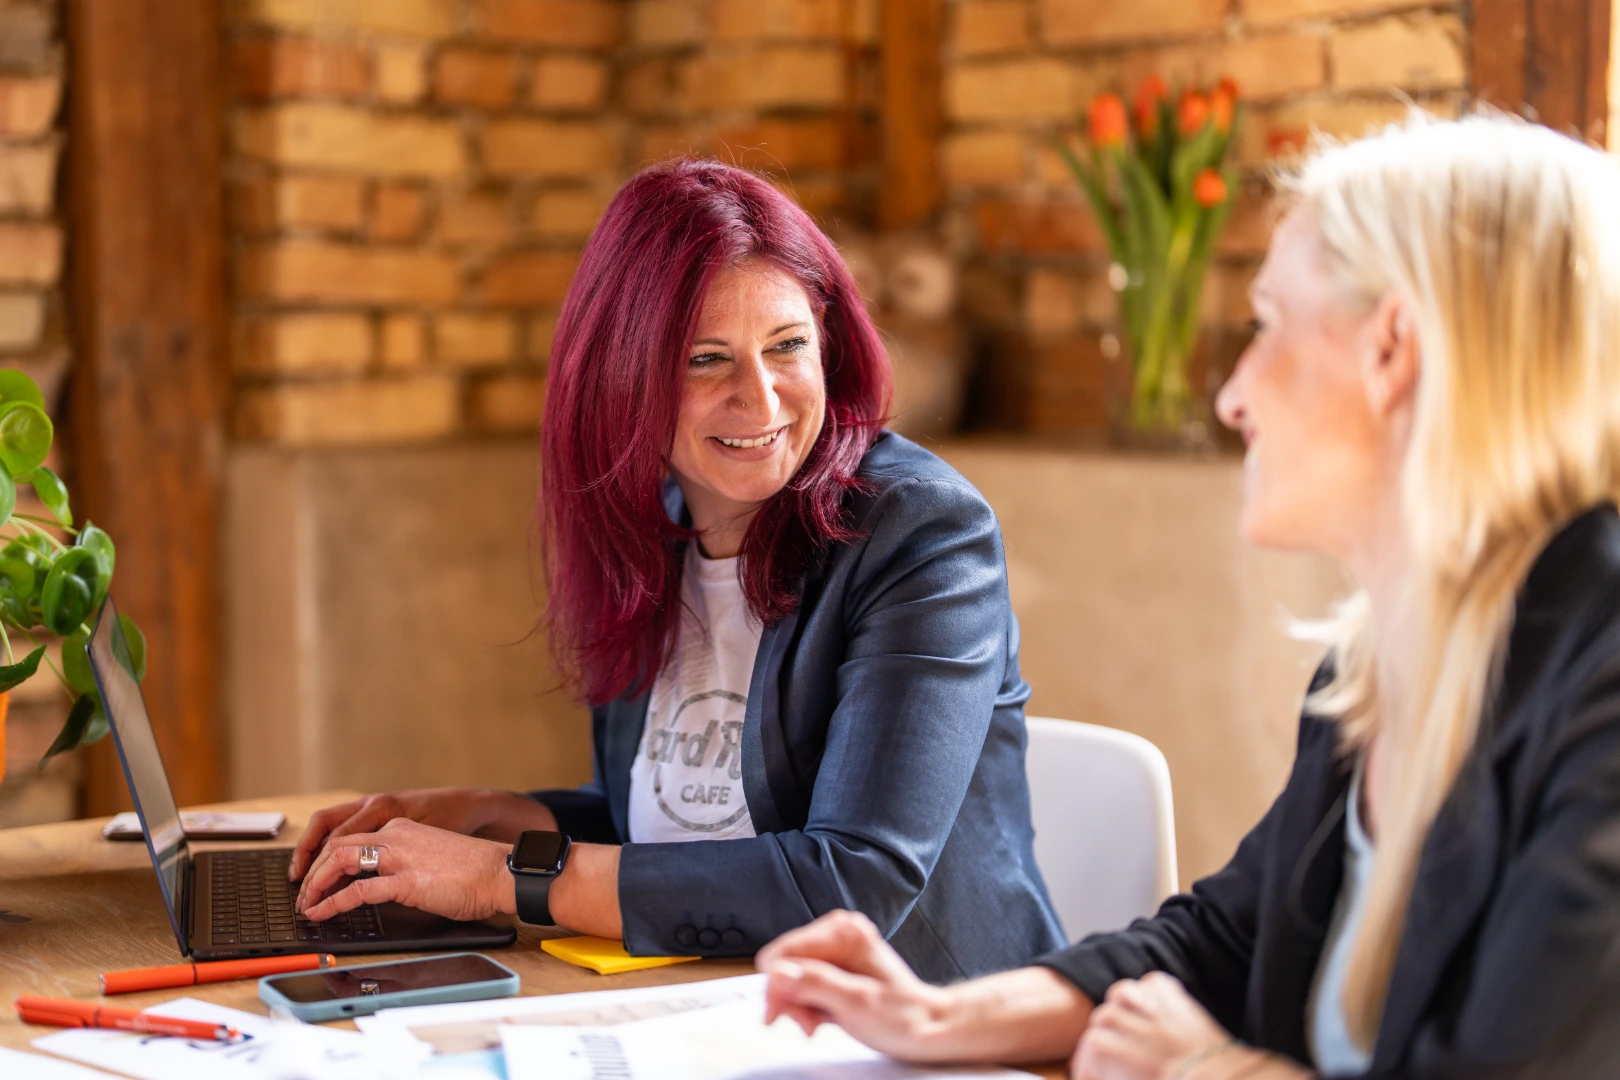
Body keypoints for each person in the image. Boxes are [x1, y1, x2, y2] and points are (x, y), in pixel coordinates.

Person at [755, 113, 1620, 1078]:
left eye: (1270, 325)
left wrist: (1207, 1069)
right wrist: (939, 1017)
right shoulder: (1385, 659)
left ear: (1393, 351)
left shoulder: (1602, 681)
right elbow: (1224, 940)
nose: (1234, 394)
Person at [284, 158, 1064, 981]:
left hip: (933, 1031)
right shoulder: (655, 526)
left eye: (787, 347)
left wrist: (493, 880)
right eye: (706, 359)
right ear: (624, 378)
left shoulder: (924, 535)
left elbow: (851, 881)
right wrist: (491, 819)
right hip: (718, 1008)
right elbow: (689, 830)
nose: (760, 403)